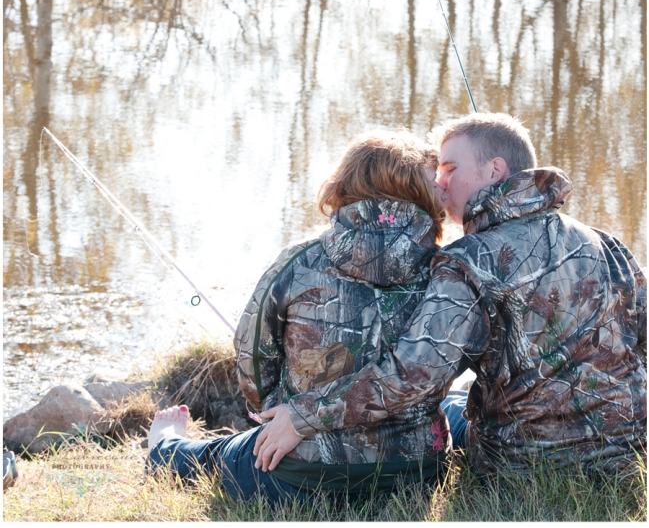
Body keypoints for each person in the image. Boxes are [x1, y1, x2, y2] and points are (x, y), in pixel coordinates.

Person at [254, 112, 647, 479]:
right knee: (459, 404)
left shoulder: (468, 259)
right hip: (629, 454)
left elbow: (413, 375)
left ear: (495, 170)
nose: (439, 184)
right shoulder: (604, 242)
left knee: (451, 408)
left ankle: (191, 449)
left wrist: (302, 416)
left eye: (451, 170)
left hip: (524, 465)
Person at [148, 129, 451, 501]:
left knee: (221, 455)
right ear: (425, 196)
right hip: (418, 474)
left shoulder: (298, 261)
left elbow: (253, 355)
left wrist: (279, 413)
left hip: (302, 477)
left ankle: (164, 447)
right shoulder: (449, 271)